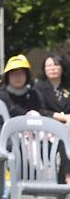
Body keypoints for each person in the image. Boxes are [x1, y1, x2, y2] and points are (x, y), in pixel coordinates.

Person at [35, 53, 70, 184]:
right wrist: (61, 117)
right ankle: (68, 177)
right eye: (49, 65)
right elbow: (39, 109)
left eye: (56, 65)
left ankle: (65, 177)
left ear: (62, 68)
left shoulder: (67, 87)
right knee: (64, 139)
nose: (52, 68)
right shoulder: (39, 87)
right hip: (47, 130)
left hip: (68, 128)